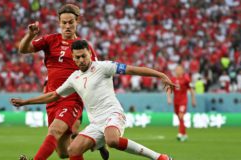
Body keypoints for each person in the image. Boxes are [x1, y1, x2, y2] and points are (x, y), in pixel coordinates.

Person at [11, 40, 175, 160]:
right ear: (73, 58)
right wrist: (26, 102)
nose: (81, 60)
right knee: (73, 149)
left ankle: (160, 158)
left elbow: (132, 69)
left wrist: (160, 75)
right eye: (77, 58)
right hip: (96, 123)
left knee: (112, 139)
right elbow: (53, 95)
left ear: (90, 53)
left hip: (113, 114)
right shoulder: (74, 77)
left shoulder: (103, 67)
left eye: (83, 56)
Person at [17, 4, 108, 160]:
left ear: (77, 22)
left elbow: (95, 74)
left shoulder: (83, 47)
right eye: (64, 22)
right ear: (59, 22)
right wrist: (30, 35)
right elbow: (23, 49)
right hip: (51, 98)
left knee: (54, 131)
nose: (67, 26)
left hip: (72, 98)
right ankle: (96, 142)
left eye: (71, 22)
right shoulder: (50, 40)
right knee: (64, 152)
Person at [167, 65, 196, 142]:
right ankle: (184, 134)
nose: (177, 71)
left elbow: (191, 90)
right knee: (179, 117)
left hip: (183, 101)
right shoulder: (173, 79)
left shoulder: (186, 79)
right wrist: (169, 98)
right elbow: (169, 89)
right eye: (176, 69)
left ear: (183, 71)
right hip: (176, 101)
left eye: (179, 69)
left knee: (180, 115)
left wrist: (193, 100)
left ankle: (180, 133)